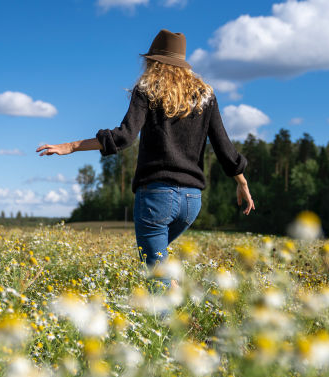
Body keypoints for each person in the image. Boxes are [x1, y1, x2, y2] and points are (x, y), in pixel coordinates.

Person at [37, 29, 255, 288]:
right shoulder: (205, 96)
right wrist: (241, 182)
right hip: (191, 202)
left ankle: (171, 316)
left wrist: (71, 146)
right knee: (158, 266)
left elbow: (125, 136)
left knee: (156, 275)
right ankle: (176, 295)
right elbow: (223, 147)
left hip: (156, 198)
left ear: (154, 61)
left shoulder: (148, 89)